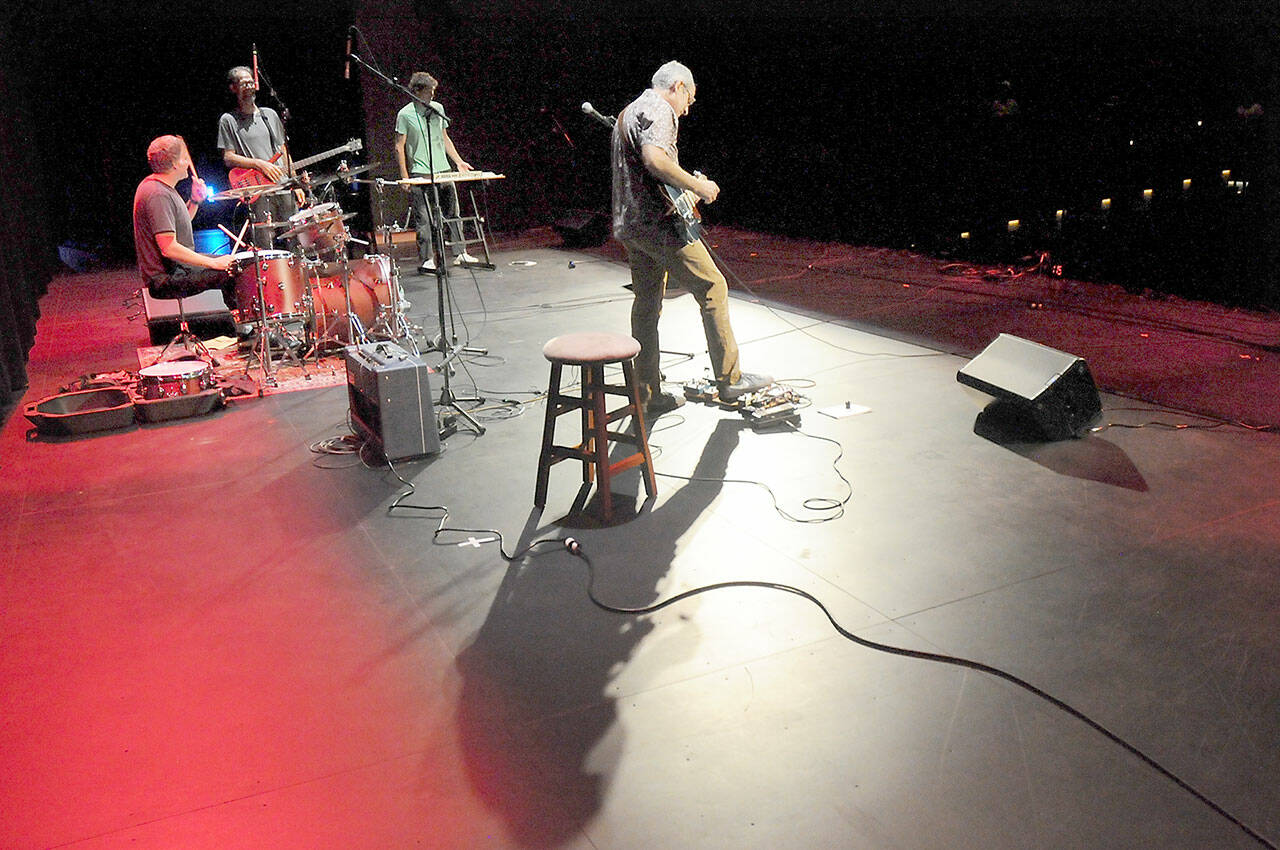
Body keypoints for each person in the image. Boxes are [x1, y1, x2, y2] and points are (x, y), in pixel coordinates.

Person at [611, 60, 771, 416]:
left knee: (647, 304)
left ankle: (647, 394)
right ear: (678, 87)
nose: (687, 108)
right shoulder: (660, 108)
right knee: (713, 286)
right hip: (659, 228)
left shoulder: (628, 113)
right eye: (690, 99)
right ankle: (730, 380)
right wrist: (699, 186)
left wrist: (683, 189)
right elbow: (655, 161)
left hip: (631, 226)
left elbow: (647, 176)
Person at [132, 135, 236, 304]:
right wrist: (213, 263)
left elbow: (180, 224)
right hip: (166, 277)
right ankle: (238, 319)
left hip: (178, 268)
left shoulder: (159, 187)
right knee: (231, 272)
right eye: (184, 158)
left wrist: (194, 201)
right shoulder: (158, 194)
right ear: (174, 164)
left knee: (234, 263)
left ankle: (238, 317)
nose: (188, 162)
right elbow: (168, 248)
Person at [393, 71, 477, 273]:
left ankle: (460, 252)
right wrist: (405, 176)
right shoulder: (405, 114)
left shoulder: (438, 109)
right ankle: (427, 259)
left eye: (433, 91)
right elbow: (398, 146)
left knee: (452, 212)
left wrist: (458, 161)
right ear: (417, 91)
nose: (432, 94)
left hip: (443, 169)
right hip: (420, 172)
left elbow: (444, 137)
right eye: (429, 91)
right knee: (423, 218)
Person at [217, 65, 295, 249]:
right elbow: (228, 157)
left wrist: (294, 180)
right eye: (244, 83)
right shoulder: (228, 120)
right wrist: (259, 164)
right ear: (233, 88)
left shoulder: (269, 115)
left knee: (295, 235)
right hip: (257, 189)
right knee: (264, 242)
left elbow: (283, 150)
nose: (249, 86)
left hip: (282, 185)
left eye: (251, 82)